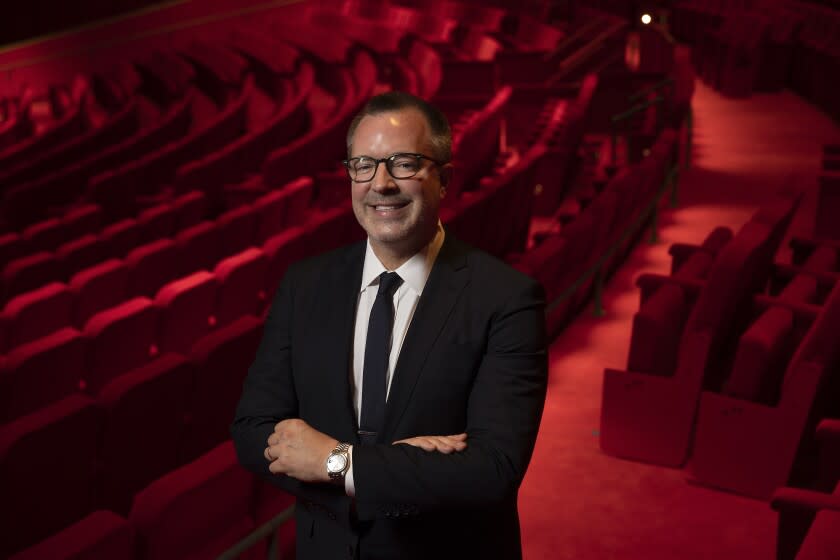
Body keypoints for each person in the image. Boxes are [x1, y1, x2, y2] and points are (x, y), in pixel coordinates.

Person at [231, 91, 548, 560]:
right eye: (363, 164)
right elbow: (253, 431)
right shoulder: (305, 286)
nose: (380, 184)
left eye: (403, 163)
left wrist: (334, 461)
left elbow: (492, 469)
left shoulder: (506, 299)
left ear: (444, 179)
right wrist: (396, 467)